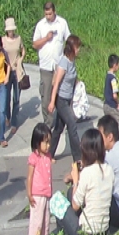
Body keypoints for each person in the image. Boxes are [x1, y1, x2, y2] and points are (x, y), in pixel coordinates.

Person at [54, 128, 114, 235]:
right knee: (71, 192)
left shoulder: (87, 173)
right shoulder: (109, 169)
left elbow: (75, 206)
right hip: (104, 232)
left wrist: (76, 180)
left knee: (57, 200)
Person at [33, 2, 71, 126]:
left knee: (62, 95)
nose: (48, 16)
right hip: (46, 67)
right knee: (46, 99)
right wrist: (46, 38)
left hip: (58, 67)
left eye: (50, 14)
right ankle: (48, 123)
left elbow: (68, 40)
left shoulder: (62, 23)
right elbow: (35, 44)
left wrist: (67, 57)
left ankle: (64, 120)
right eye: (46, 14)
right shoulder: (40, 25)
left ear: (54, 11)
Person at [49, 35, 83, 163]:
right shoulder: (63, 62)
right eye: (77, 47)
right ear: (72, 47)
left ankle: (49, 154)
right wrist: (52, 102)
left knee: (58, 128)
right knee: (72, 125)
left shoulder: (72, 60)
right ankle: (78, 157)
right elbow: (56, 84)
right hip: (61, 100)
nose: (79, 50)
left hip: (68, 99)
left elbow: (73, 76)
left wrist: (78, 84)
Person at [25, 123, 54, 235]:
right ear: (37, 143)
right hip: (37, 194)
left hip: (46, 192)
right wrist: (29, 194)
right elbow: (30, 177)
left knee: (46, 218)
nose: (48, 146)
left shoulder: (47, 156)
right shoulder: (33, 158)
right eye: (45, 142)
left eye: (49, 142)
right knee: (37, 219)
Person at [1, 18, 26, 133]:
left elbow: (23, 50)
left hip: (17, 71)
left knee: (16, 97)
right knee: (6, 97)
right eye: (9, 30)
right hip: (6, 71)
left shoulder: (18, 38)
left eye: (12, 30)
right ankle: (7, 116)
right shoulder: (3, 40)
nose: (11, 32)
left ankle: (14, 123)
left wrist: (20, 59)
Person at [104, 55, 119, 144]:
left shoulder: (107, 76)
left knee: (110, 126)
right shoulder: (113, 79)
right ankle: (115, 143)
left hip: (106, 105)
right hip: (112, 106)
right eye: (118, 64)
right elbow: (115, 95)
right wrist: (118, 103)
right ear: (114, 65)